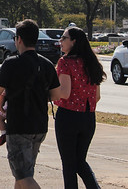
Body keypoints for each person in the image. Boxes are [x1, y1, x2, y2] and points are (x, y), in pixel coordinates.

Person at [0, 19, 60, 189]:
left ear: (19, 39)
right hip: (40, 126)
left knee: (24, 176)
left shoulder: (11, 63)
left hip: (20, 126)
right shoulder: (47, 64)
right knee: (22, 174)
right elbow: (56, 95)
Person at [52, 26, 106, 189]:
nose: (60, 41)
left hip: (68, 117)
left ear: (73, 41)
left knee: (69, 164)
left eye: (64, 38)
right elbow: (97, 97)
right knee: (79, 161)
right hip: (88, 117)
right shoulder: (91, 62)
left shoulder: (65, 62)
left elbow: (65, 93)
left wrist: (48, 94)